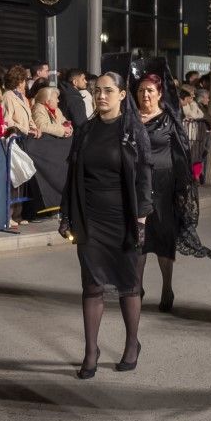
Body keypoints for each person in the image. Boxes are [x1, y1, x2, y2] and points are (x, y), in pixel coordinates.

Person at [59, 72, 151, 377]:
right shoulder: (85, 130)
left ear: (123, 95)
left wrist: (141, 220)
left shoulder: (133, 130)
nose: (101, 96)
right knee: (92, 285)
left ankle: (131, 345)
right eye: (97, 91)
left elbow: (144, 177)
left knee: (129, 285)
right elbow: (73, 174)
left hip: (124, 218)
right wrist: (67, 215)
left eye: (108, 91)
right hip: (91, 217)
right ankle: (90, 352)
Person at [133, 71, 211, 313]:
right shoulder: (129, 119)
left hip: (164, 185)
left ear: (159, 94)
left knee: (163, 238)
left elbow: (181, 154)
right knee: (138, 237)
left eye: (150, 90)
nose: (145, 94)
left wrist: (183, 188)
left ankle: (167, 287)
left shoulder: (169, 119)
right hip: (137, 185)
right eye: (141, 90)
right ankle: (137, 287)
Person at [0, 66, 38, 138]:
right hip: (16, 138)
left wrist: (35, 129)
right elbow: (7, 121)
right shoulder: (7, 96)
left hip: (26, 138)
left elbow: (29, 118)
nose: (25, 84)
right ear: (20, 82)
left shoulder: (23, 98)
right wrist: (25, 131)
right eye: (24, 81)